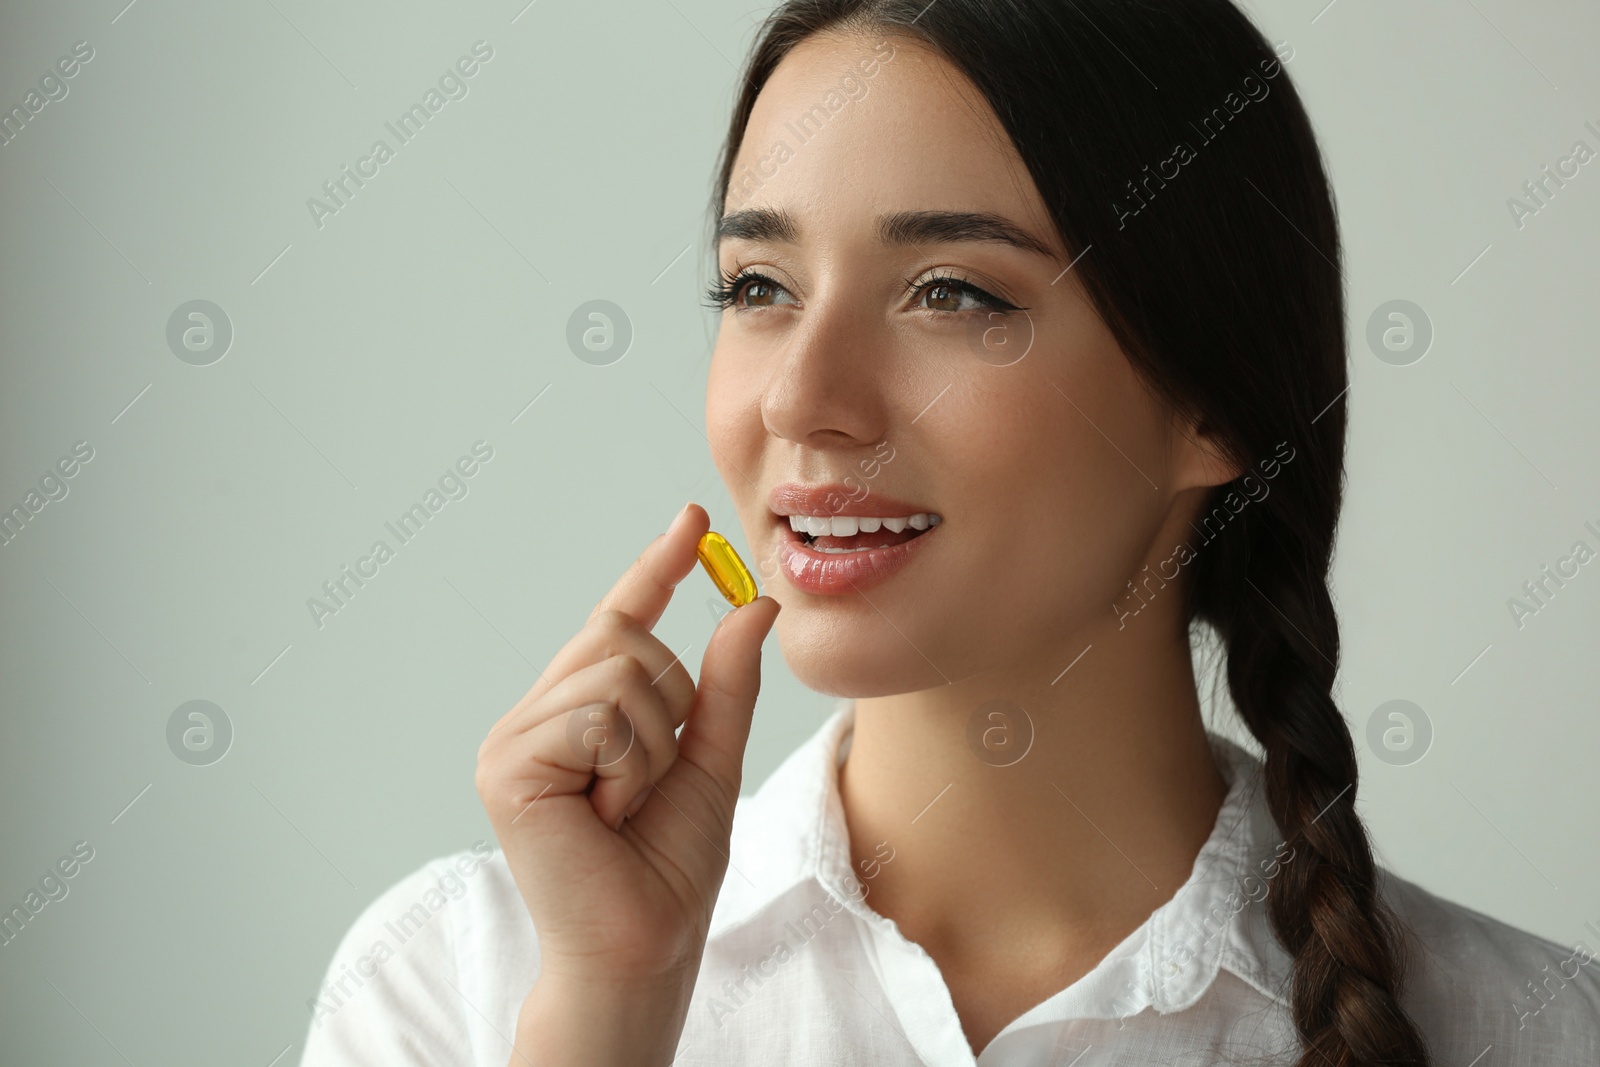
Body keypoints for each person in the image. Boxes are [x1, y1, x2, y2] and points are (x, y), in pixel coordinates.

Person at [300, 1, 1600, 1063]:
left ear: (1211, 400)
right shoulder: (459, 991)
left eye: (950, 293)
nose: (802, 400)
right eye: (759, 287)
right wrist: (611, 1015)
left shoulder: (1535, 1034)